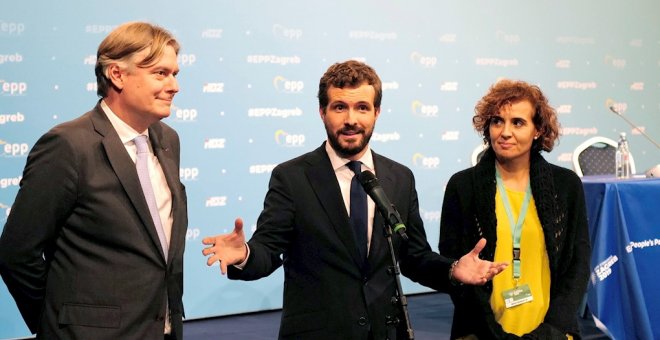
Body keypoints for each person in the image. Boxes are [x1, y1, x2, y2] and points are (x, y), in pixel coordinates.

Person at [202, 60, 507, 339]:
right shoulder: (292, 177)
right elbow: (268, 250)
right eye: (339, 107)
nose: (351, 119)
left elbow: (414, 257)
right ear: (322, 112)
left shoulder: (400, 178)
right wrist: (243, 254)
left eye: (362, 107)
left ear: (377, 112)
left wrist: (452, 269)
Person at [0, 22, 187, 339]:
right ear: (117, 75)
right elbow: (17, 253)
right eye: (160, 73)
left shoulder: (168, 139)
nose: (174, 86)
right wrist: (58, 322)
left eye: (175, 74)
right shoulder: (69, 146)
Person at [439, 79, 591, 339]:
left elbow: (578, 265)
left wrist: (551, 331)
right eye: (497, 121)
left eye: (517, 122)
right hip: (481, 332)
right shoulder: (463, 186)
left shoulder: (566, 185)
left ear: (538, 130)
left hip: (552, 332)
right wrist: (493, 334)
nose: (505, 132)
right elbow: (456, 267)